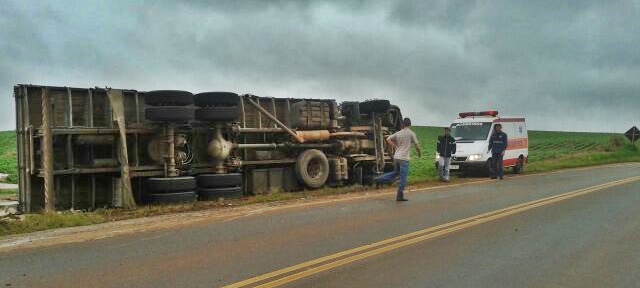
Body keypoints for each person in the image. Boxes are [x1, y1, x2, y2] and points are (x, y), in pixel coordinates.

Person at [375, 118, 422, 201]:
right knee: (403, 179)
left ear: (403, 125)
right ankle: (399, 196)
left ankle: (379, 179)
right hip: (404, 158)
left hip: (396, 157)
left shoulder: (398, 133)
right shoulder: (411, 134)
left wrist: (395, 145)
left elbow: (388, 139)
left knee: (395, 172)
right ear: (410, 125)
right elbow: (417, 145)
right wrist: (419, 153)